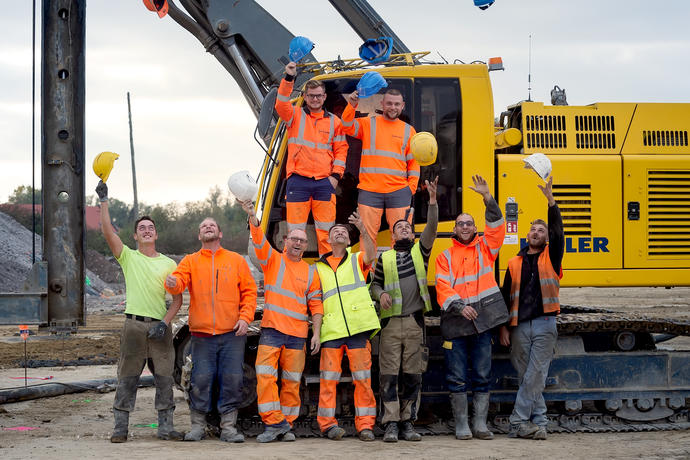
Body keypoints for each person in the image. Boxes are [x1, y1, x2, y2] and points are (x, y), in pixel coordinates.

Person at [96, 180, 183, 443]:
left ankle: (165, 428)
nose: (146, 231)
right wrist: (103, 202)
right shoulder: (128, 257)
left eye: (150, 228)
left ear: (156, 234)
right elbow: (108, 232)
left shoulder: (169, 264)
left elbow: (178, 300)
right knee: (127, 378)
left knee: (165, 379)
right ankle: (120, 428)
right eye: (141, 228)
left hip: (160, 328)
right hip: (133, 327)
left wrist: (164, 323)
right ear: (135, 236)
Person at [165, 217, 257, 443]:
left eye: (212, 225)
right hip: (202, 335)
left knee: (232, 379)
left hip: (231, 335)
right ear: (199, 235)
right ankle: (198, 426)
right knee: (201, 379)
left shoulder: (235, 260)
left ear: (220, 233)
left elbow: (249, 292)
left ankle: (228, 427)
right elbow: (178, 282)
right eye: (203, 226)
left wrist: (245, 318)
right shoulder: (191, 261)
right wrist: (172, 283)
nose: (208, 227)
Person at [240, 200, 324, 443]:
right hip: (273, 330)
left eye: (302, 240)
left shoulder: (310, 272)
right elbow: (258, 240)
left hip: (298, 335)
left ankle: (285, 425)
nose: (298, 243)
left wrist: (316, 333)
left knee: (291, 382)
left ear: (306, 245)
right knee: (265, 376)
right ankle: (273, 423)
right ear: (285, 241)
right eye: (294, 239)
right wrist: (253, 217)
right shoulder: (273, 260)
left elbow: (316, 306)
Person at [434, 174, 509, 441]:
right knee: (456, 377)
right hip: (456, 324)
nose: (464, 227)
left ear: (474, 227)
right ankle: (462, 424)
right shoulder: (444, 256)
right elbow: (442, 286)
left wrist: (488, 198)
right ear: (454, 229)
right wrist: (458, 306)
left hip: (483, 323)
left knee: (482, 375)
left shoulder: (487, 248)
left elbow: (497, 226)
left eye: (468, 223)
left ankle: (479, 424)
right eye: (460, 224)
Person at [370, 177, 439, 442]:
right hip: (389, 325)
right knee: (387, 376)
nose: (404, 230)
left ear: (412, 234)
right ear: (393, 233)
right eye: (399, 228)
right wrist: (381, 294)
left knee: (412, 376)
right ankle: (390, 423)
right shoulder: (383, 257)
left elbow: (431, 229)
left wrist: (432, 202)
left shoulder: (420, 252)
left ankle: (408, 422)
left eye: (407, 228)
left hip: (413, 324)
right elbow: (374, 286)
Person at [499, 177, 564, 440]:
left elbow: (559, 232)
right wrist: (503, 327)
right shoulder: (514, 262)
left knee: (535, 372)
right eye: (533, 230)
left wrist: (551, 202)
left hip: (545, 323)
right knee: (529, 375)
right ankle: (540, 422)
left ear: (547, 237)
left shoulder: (553, 255)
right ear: (528, 235)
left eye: (541, 230)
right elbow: (505, 296)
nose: (536, 233)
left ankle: (517, 422)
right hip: (518, 326)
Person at [315, 212, 380, 441]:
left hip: (358, 330)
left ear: (349, 240)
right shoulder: (318, 268)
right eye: (335, 231)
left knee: (363, 380)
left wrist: (363, 229)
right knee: (328, 381)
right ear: (328, 240)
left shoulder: (357, 259)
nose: (340, 232)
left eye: (344, 231)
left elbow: (372, 255)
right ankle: (327, 425)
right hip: (331, 331)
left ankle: (365, 426)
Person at [275, 61, 349, 256]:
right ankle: (291, 274)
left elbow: (341, 150)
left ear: (324, 97)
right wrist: (289, 78)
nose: (315, 99)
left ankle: (327, 274)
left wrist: (335, 177)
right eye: (311, 96)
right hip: (298, 180)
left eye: (318, 96)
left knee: (326, 234)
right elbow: (281, 103)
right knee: (295, 234)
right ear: (305, 97)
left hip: (324, 183)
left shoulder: (335, 122)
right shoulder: (295, 115)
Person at [341, 88, 420, 246]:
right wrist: (352, 105)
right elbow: (346, 125)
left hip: (399, 191)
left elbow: (414, 162)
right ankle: (366, 271)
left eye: (397, 104)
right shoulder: (369, 123)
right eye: (389, 103)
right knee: (366, 237)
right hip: (370, 190)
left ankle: (398, 270)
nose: (393, 107)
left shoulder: (409, 131)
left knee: (401, 238)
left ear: (402, 106)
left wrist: (410, 188)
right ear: (382, 104)